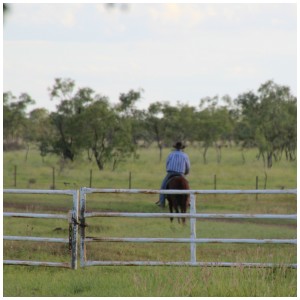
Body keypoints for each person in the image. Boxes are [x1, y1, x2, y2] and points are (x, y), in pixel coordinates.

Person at [156, 141, 190, 207]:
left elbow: (167, 164)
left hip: (170, 172)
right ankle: (188, 202)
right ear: (182, 148)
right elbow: (188, 167)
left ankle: (162, 203)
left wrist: (168, 170)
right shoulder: (185, 155)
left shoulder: (171, 154)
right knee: (187, 187)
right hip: (181, 173)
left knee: (163, 187)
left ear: (175, 147)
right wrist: (186, 173)